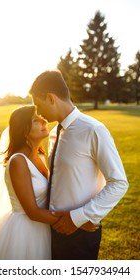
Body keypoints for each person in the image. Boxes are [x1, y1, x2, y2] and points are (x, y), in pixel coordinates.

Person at [29, 69, 129, 260]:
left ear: (51, 98)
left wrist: (79, 218)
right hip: (51, 231)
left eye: (38, 104)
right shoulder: (52, 134)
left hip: (80, 235)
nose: (38, 112)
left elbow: (119, 183)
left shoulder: (93, 130)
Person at [0, 105, 60, 260]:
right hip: (24, 232)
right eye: (36, 120)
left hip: (42, 227)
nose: (44, 121)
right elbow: (32, 212)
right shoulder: (18, 161)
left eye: (42, 118)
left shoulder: (38, 156)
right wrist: (74, 222)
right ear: (23, 129)